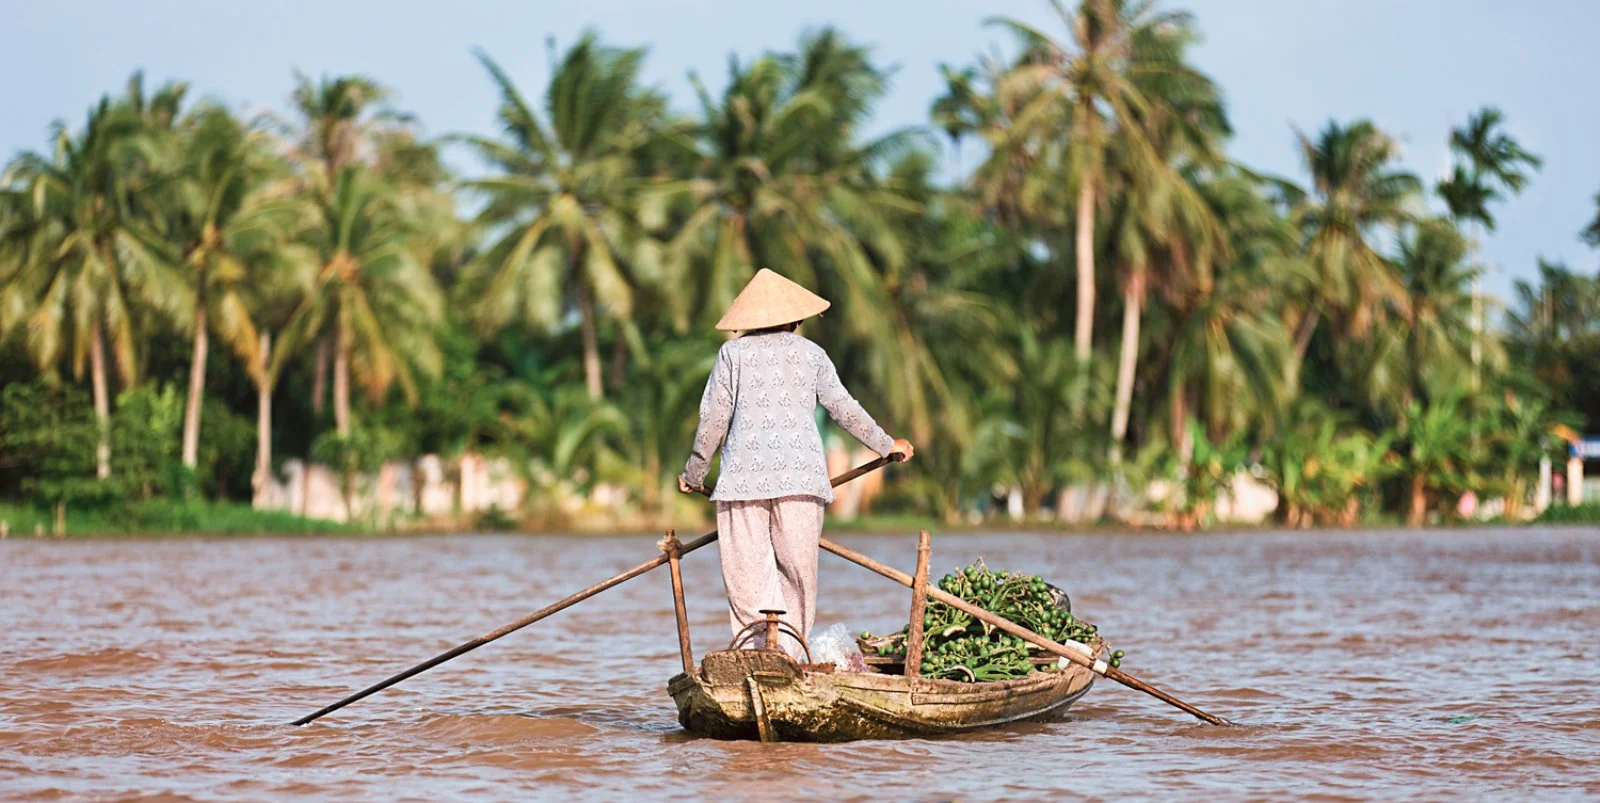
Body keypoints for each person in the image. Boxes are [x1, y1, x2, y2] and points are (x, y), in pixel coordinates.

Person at [678, 268, 913, 659]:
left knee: (748, 579)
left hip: (742, 485)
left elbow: (713, 420)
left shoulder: (731, 354)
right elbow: (843, 409)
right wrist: (888, 444)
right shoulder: (812, 354)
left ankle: (757, 657)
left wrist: (694, 474)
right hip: (801, 484)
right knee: (798, 576)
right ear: (796, 319)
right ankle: (786, 657)